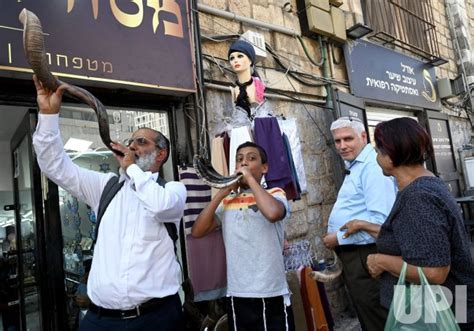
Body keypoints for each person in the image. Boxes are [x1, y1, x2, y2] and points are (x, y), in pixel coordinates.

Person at [31, 75, 186, 331]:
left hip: (156, 319)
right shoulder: (106, 187)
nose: (132, 145)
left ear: (161, 154)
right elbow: (54, 166)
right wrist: (48, 115)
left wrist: (132, 168)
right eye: (130, 142)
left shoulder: (172, 190)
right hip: (99, 321)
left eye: (141, 142)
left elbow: (160, 206)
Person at [362, 117, 474, 330]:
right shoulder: (425, 183)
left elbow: (435, 272)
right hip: (446, 305)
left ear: (392, 154)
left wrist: (380, 261)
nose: (376, 157)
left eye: (378, 151)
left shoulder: (418, 197)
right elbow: (414, 237)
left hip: (443, 310)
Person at [191, 141, 295, 331]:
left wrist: (250, 179)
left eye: (251, 158)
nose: (244, 163)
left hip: (269, 290)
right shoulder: (228, 201)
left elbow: (272, 213)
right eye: (239, 160)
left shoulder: (275, 193)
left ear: (265, 168)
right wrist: (221, 193)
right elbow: (198, 231)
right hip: (237, 291)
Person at [322, 116, 397, 331]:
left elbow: (380, 223)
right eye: (337, 141)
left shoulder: (372, 166)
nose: (343, 146)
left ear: (363, 136)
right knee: (368, 312)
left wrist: (335, 238)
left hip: (367, 253)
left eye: (348, 139)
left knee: (376, 315)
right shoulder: (356, 165)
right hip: (356, 254)